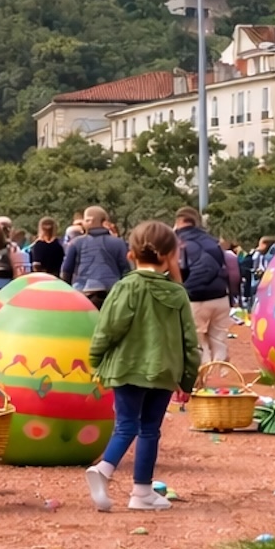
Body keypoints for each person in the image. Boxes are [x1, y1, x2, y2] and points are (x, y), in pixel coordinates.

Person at [85, 221, 199, 513]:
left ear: (132, 253)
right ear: (171, 254)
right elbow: (189, 342)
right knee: (149, 429)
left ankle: (105, 469)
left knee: (125, 425)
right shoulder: (177, 294)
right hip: (163, 372)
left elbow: (108, 328)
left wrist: (96, 360)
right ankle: (141, 492)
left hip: (125, 369)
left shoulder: (126, 287)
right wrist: (187, 380)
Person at [175, 207, 233, 362]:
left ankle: (203, 375)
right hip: (221, 296)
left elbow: (180, 269)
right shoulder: (213, 242)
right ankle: (223, 374)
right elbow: (229, 268)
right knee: (219, 338)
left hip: (196, 297)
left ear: (180, 221)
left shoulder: (177, 242)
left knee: (197, 339)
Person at [61, 206, 130, 308]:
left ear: (86, 221)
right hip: (112, 293)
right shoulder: (118, 242)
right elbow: (125, 270)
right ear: (104, 221)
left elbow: (66, 271)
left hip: (83, 293)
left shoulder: (76, 243)